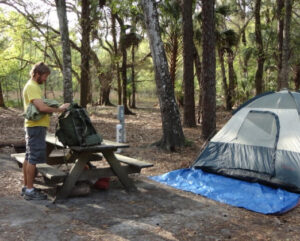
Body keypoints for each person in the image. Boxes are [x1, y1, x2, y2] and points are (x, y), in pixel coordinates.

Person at [22, 62, 70, 200]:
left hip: (33, 126)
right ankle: (30, 191)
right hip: (35, 127)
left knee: (28, 156)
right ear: (37, 74)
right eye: (44, 76)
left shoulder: (33, 86)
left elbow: (40, 106)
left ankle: (27, 187)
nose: (45, 79)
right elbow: (41, 108)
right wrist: (60, 109)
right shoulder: (32, 87)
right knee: (33, 158)